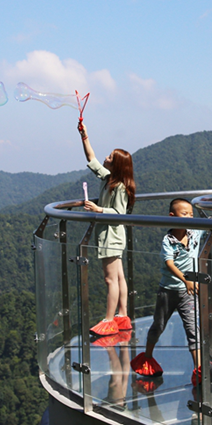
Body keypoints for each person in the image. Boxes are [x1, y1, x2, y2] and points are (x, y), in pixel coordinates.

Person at [131, 197, 212, 385]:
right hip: (168, 291)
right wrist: (186, 280)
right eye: (184, 214)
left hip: (188, 293)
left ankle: (199, 370)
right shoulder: (167, 240)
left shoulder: (195, 232)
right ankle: (147, 357)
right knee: (158, 326)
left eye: (191, 214)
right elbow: (168, 263)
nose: (189, 217)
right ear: (172, 216)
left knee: (193, 330)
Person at [79, 123, 137, 337]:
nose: (107, 157)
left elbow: (119, 213)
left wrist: (98, 209)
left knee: (110, 279)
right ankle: (122, 316)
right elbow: (92, 160)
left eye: (111, 157)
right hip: (111, 236)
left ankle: (109, 320)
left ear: (117, 165)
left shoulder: (119, 187)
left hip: (110, 236)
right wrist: (84, 136)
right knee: (119, 277)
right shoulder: (109, 179)